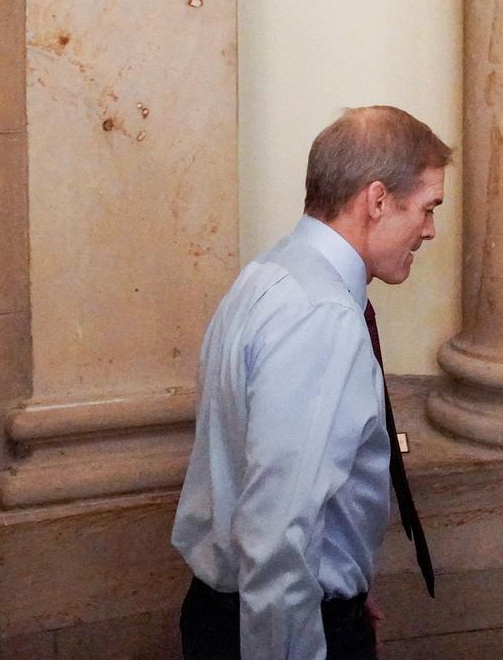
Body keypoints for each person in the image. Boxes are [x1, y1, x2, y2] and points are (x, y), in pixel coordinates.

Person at [173, 105, 450, 660]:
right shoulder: (319, 315)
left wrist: (340, 587)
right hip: (268, 627)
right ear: (377, 200)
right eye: (426, 208)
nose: (429, 230)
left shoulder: (270, 275)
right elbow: (277, 534)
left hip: (251, 612)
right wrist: (317, 617)